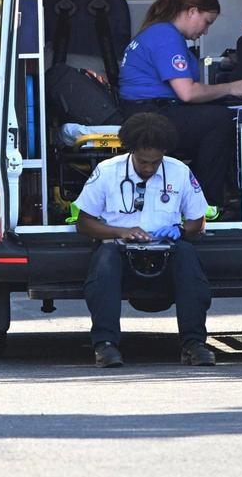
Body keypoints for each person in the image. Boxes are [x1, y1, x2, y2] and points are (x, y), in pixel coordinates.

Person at [75, 112, 215, 368]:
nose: (149, 168)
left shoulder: (179, 172)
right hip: (121, 253)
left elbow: (198, 221)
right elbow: (83, 223)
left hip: (165, 252)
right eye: (142, 162)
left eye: (155, 162)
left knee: (188, 257)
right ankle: (105, 346)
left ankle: (194, 345)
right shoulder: (107, 172)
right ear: (131, 152)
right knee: (104, 262)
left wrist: (181, 231)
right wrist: (120, 232)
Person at [119, 0, 242, 214]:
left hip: (146, 110)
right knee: (219, 120)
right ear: (192, 11)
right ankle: (206, 204)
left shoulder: (159, 32)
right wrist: (230, 88)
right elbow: (187, 92)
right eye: (207, 22)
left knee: (214, 113)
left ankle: (200, 196)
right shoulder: (166, 36)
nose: (206, 31)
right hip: (149, 116)